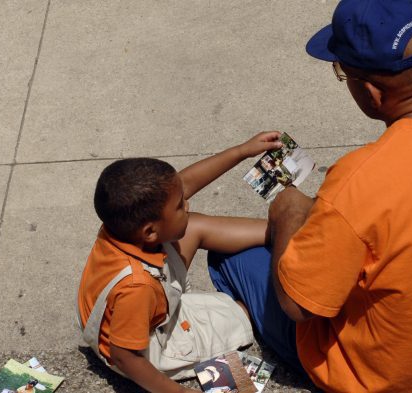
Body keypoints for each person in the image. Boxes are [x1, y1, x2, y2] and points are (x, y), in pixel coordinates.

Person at [207, 0, 412, 392]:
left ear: (370, 91)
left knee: (228, 255)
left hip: (377, 377)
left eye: (342, 74)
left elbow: (299, 307)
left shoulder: (360, 177)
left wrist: (288, 214)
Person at [76, 132, 283, 393]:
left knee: (192, 224)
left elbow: (185, 183)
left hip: (131, 310)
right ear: (150, 232)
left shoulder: (120, 226)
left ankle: (284, 230)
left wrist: (241, 151)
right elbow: (124, 356)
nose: (186, 203)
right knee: (242, 312)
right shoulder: (136, 288)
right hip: (152, 347)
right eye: (179, 205)